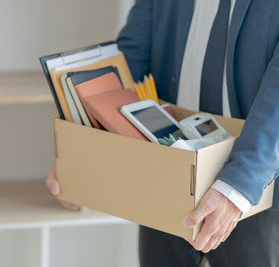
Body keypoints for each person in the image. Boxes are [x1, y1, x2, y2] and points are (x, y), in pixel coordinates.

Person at [47, 0, 279, 266]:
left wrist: (239, 185)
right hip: (164, 170)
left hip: (256, 187)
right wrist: (81, 150)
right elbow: (131, 56)